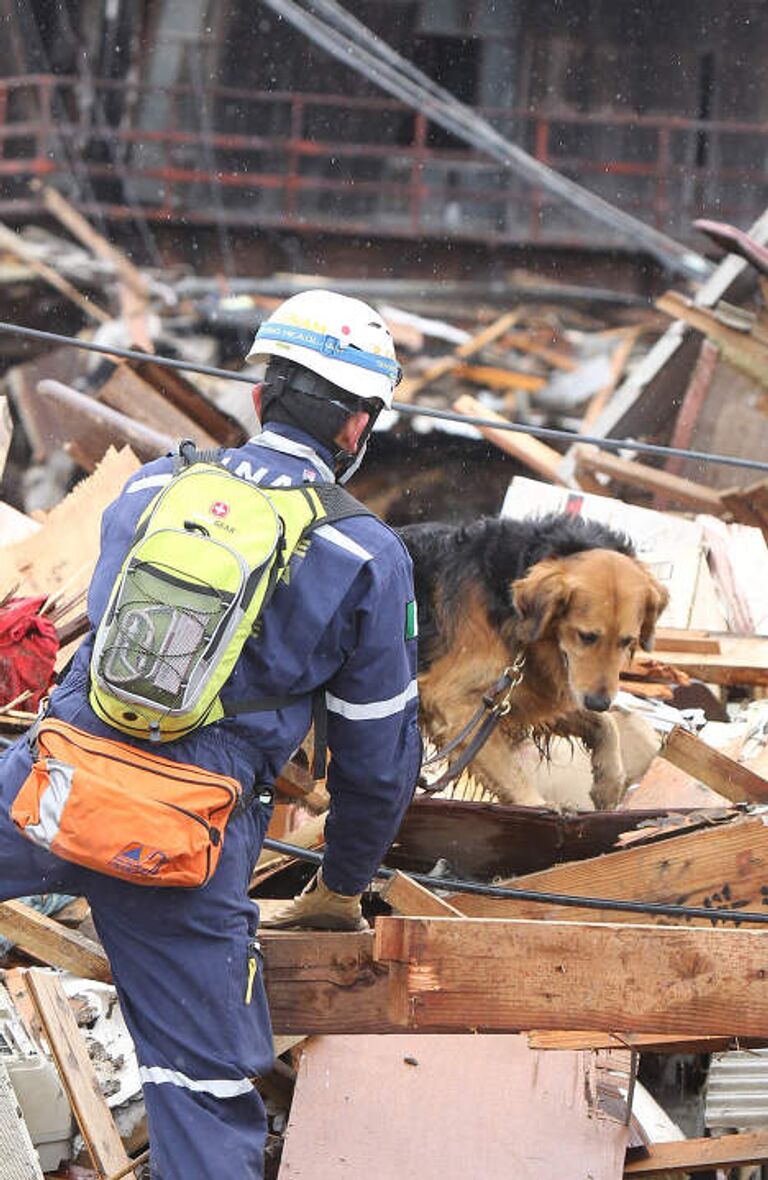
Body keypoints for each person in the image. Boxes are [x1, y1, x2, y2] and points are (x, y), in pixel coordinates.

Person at [0, 290, 422, 1179]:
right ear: (358, 427)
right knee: (199, 1089)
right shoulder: (366, 557)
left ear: (260, 397)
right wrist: (341, 885)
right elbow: (378, 764)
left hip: (55, 782)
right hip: (186, 837)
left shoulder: (154, 486)